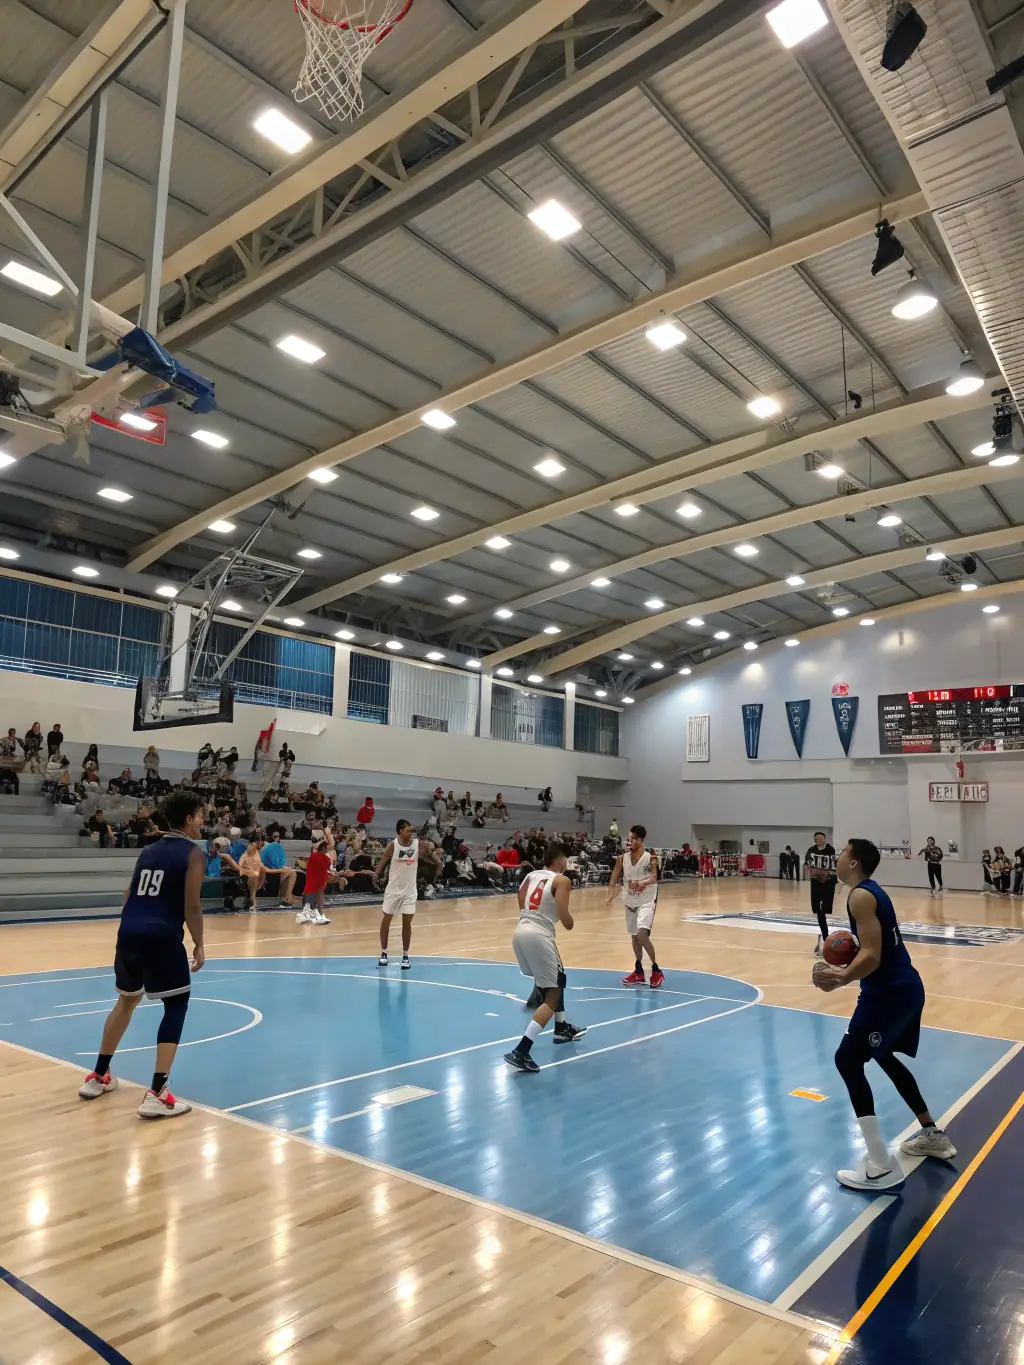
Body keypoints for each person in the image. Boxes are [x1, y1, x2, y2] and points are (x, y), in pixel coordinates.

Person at [813, 838, 955, 1189]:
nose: (838, 858)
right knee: (884, 1055)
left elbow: (873, 955)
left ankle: (880, 1164)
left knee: (847, 1060)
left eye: (843, 854)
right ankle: (930, 1133)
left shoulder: (859, 896)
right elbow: (872, 950)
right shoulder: (870, 891)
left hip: (888, 994)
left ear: (854, 862)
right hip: (903, 989)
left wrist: (840, 977)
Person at [77, 792, 206, 1119]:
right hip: (161, 936)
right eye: (201, 816)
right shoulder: (193, 854)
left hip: (129, 932)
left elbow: (127, 894)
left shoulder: (148, 850)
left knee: (126, 1001)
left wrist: (136, 924)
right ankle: (158, 1093)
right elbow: (192, 905)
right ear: (189, 818)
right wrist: (199, 943)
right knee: (176, 1004)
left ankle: (98, 1076)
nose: (203, 822)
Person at [504, 841, 587, 1073]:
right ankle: (522, 1049)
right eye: (566, 859)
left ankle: (561, 1028)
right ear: (560, 859)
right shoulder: (562, 880)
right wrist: (569, 921)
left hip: (521, 929)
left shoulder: (531, 875)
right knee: (551, 995)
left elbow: (521, 899)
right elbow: (565, 917)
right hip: (539, 934)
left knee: (559, 978)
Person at [374, 819, 440, 970]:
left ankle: (405, 955)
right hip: (393, 890)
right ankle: (384, 953)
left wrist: (433, 850)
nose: (410, 833)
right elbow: (383, 862)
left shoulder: (418, 845)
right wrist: (376, 875)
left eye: (411, 830)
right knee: (387, 920)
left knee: (407, 923)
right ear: (399, 831)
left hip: (410, 891)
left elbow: (431, 849)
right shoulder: (393, 845)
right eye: (407, 830)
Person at [607, 824, 663, 988]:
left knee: (642, 934)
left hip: (647, 899)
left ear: (640, 840)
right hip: (630, 900)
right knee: (634, 936)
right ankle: (638, 971)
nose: (629, 841)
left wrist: (641, 882)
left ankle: (656, 969)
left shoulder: (650, 857)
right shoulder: (621, 858)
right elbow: (614, 878)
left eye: (632, 838)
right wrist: (610, 893)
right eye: (628, 838)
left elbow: (654, 877)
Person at [804, 831, 838, 956]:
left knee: (825, 907)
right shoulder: (811, 850)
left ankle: (826, 937)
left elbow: (832, 865)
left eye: (820, 838)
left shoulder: (830, 849)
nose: (818, 840)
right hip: (816, 882)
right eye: (816, 838)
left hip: (828, 881)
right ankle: (825, 936)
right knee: (819, 911)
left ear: (824, 839)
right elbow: (808, 865)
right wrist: (814, 873)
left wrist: (826, 875)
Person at [296, 830, 331, 925]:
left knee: (310, 899)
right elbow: (326, 866)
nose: (328, 849)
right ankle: (315, 914)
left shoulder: (312, 857)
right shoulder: (326, 859)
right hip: (318, 881)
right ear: (323, 848)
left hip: (313, 881)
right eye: (326, 848)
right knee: (314, 898)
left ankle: (311, 914)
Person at [261, 831, 299, 907]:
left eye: (277, 836)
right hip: (267, 875)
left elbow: (279, 864)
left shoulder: (275, 847)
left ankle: (287, 897)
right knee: (290, 872)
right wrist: (282, 869)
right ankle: (287, 898)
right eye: (275, 836)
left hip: (274, 873)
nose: (276, 838)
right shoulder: (269, 848)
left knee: (292, 872)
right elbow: (266, 869)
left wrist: (283, 869)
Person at [238, 836, 267, 910]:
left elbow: (263, 868)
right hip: (246, 875)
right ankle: (252, 899)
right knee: (253, 875)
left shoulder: (257, 855)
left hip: (256, 876)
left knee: (260, 872)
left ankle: (253, 896)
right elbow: (239, 867)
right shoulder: (245, 855)